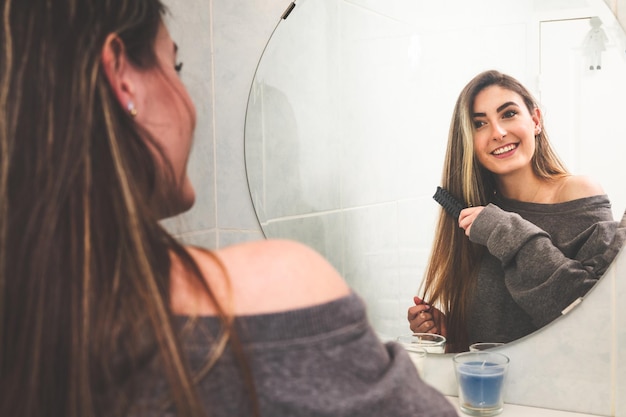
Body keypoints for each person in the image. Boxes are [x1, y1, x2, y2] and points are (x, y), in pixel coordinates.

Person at [0, 1, 458, 416]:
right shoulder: (279, 288)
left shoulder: (28, 328)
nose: (190, 102)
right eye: (174, 65)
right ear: (122, 77)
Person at [407, 70, 626, 353]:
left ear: (535, 120)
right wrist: (451, 331)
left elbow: (593, 320)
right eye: (480, 124)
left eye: (508, 114)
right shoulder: (474, 214)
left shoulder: (577, 192)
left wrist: (504, 230)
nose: (497, 132)